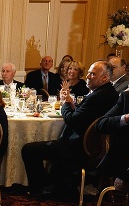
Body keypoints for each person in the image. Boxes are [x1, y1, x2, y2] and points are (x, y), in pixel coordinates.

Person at [21, 61, 118, 197]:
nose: (88, 77)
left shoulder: (97, 96)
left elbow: (72, 120)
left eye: (93, 74)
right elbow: (84, 116)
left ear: (105, 78)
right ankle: (52, 185)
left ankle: (42, 189)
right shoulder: (110, 93)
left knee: (28, 149)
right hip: (93, 147)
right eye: (89, 73)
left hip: (78, 148)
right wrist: (72, 105)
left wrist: (66, 102)